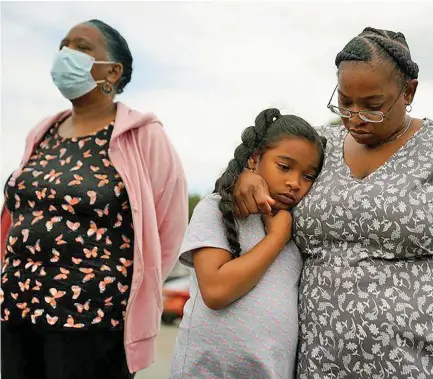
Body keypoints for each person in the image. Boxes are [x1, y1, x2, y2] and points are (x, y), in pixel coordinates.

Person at [233, 27, 433, 378]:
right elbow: (269, 167)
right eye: (345, 102)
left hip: (413, 359)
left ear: (409, 91)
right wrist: (247, 177)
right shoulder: (320, 144)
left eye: (373, 106)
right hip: (317, 359)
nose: (355, 117)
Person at [0, 19, 188, 379]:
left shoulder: (144, 136)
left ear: (113, 71)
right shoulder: (43, 132)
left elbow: (170, 228)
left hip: (92, 324)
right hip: (17, 314)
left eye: (81, 47)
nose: (65, 54)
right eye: (63, 45)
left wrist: (132, 293)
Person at [169, 108, 326, 378]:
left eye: (308, 176)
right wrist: (277, 238)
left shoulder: (300, 223)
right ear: (254, 160)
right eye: (284, 167)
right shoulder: (217, 207)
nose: (295, 183)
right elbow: (216, 291)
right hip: (206, 371)